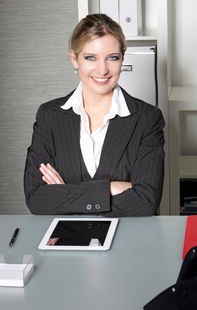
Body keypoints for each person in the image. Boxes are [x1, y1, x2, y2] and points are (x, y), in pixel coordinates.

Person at [24, 13, 165, 217]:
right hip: (65, 239)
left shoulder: (147, 119)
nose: (102, 70)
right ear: (74, 59)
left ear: (122, 59)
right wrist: (111, 188)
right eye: (90, 57)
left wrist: (65, 193)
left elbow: (145, 202)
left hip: (128, 240)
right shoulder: (50, 116)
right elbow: (37, 198)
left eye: (112, 58)